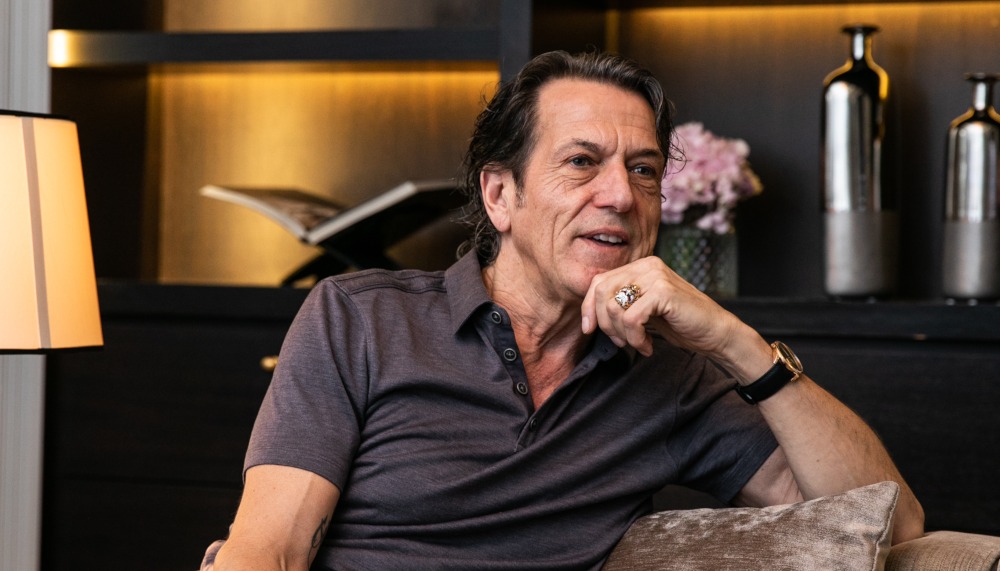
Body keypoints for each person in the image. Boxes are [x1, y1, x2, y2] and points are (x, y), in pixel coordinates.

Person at [211, 50, 923, 571]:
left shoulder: (670, 375)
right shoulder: (359, 321)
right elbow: (270, 548)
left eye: (643, 170)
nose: (620, 196)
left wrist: (736, 342)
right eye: (581, 162)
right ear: (500, 196)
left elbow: (888, 522)